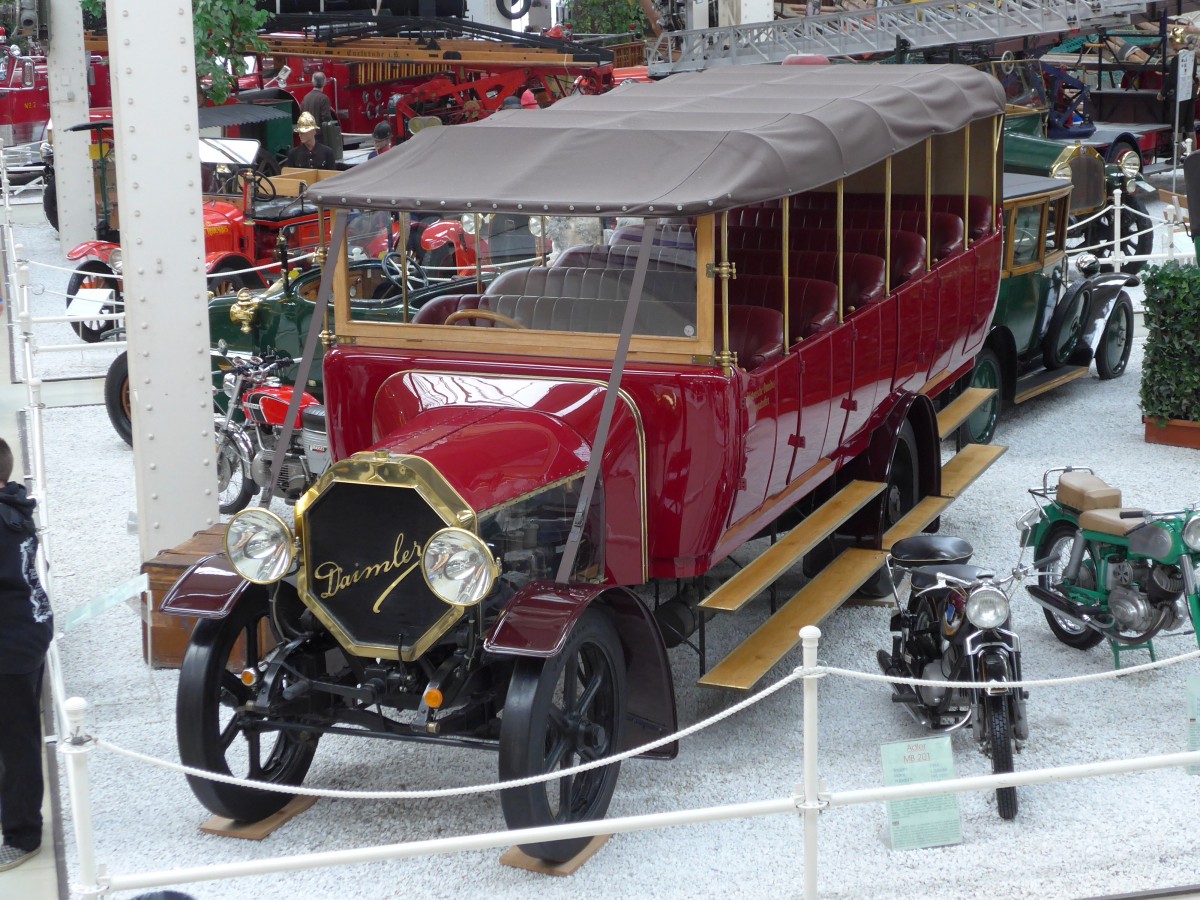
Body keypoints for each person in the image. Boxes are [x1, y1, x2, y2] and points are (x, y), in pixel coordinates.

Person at [0, 437, 52, 873]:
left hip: (11, 646)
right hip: (28, 631)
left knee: (16, 741)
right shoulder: (15, 508)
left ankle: (22, 834)